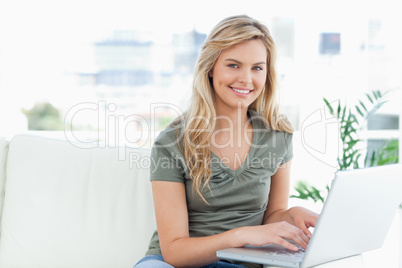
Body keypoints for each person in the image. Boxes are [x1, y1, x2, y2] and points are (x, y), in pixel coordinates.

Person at [134, 15, 319, 268]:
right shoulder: (171, 143)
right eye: (233, 65)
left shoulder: (278, 135)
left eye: (257, 68)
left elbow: (272, 216)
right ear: (211, 68)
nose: (246, 79)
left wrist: (291, 215)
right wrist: (240, 235)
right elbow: (174, 251)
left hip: (242, 262)